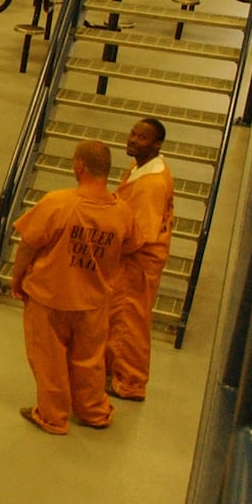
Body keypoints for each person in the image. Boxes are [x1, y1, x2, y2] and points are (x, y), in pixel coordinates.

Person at [11, 140, 142, 433]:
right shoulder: (122, 211)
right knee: (90, 359)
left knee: (49, 360)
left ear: (79, 166)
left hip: (50, 297)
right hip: (94, 301)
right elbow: (130, 246)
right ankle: (94, 411)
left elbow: (29, 246)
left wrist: (17, 279)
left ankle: (53, 416)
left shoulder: (57, 203)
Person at [107, 119, 175, 402]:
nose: (133, 139)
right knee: (118, 315)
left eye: (142, 137)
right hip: (132, 259)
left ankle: (131, 382)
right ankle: (113, 369)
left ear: (157, 144)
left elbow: (142, 234)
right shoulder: (140, 167)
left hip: (138, 261)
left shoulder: (152, 184)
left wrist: (111, 248)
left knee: (129, 319)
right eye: (133, 133)